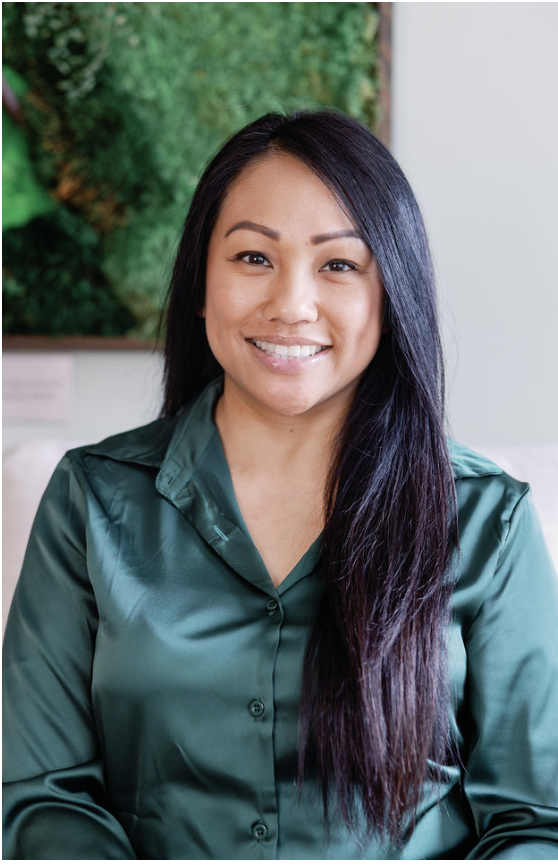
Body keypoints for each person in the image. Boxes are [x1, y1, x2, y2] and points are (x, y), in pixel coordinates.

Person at [3, 110, 558, 860]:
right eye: (253, 258)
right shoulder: (90, 500)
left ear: (391, 294)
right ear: (202, 284)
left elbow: (536, 822)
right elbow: (40, 797)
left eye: (338, 265)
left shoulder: (488, 518)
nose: (291, 304)